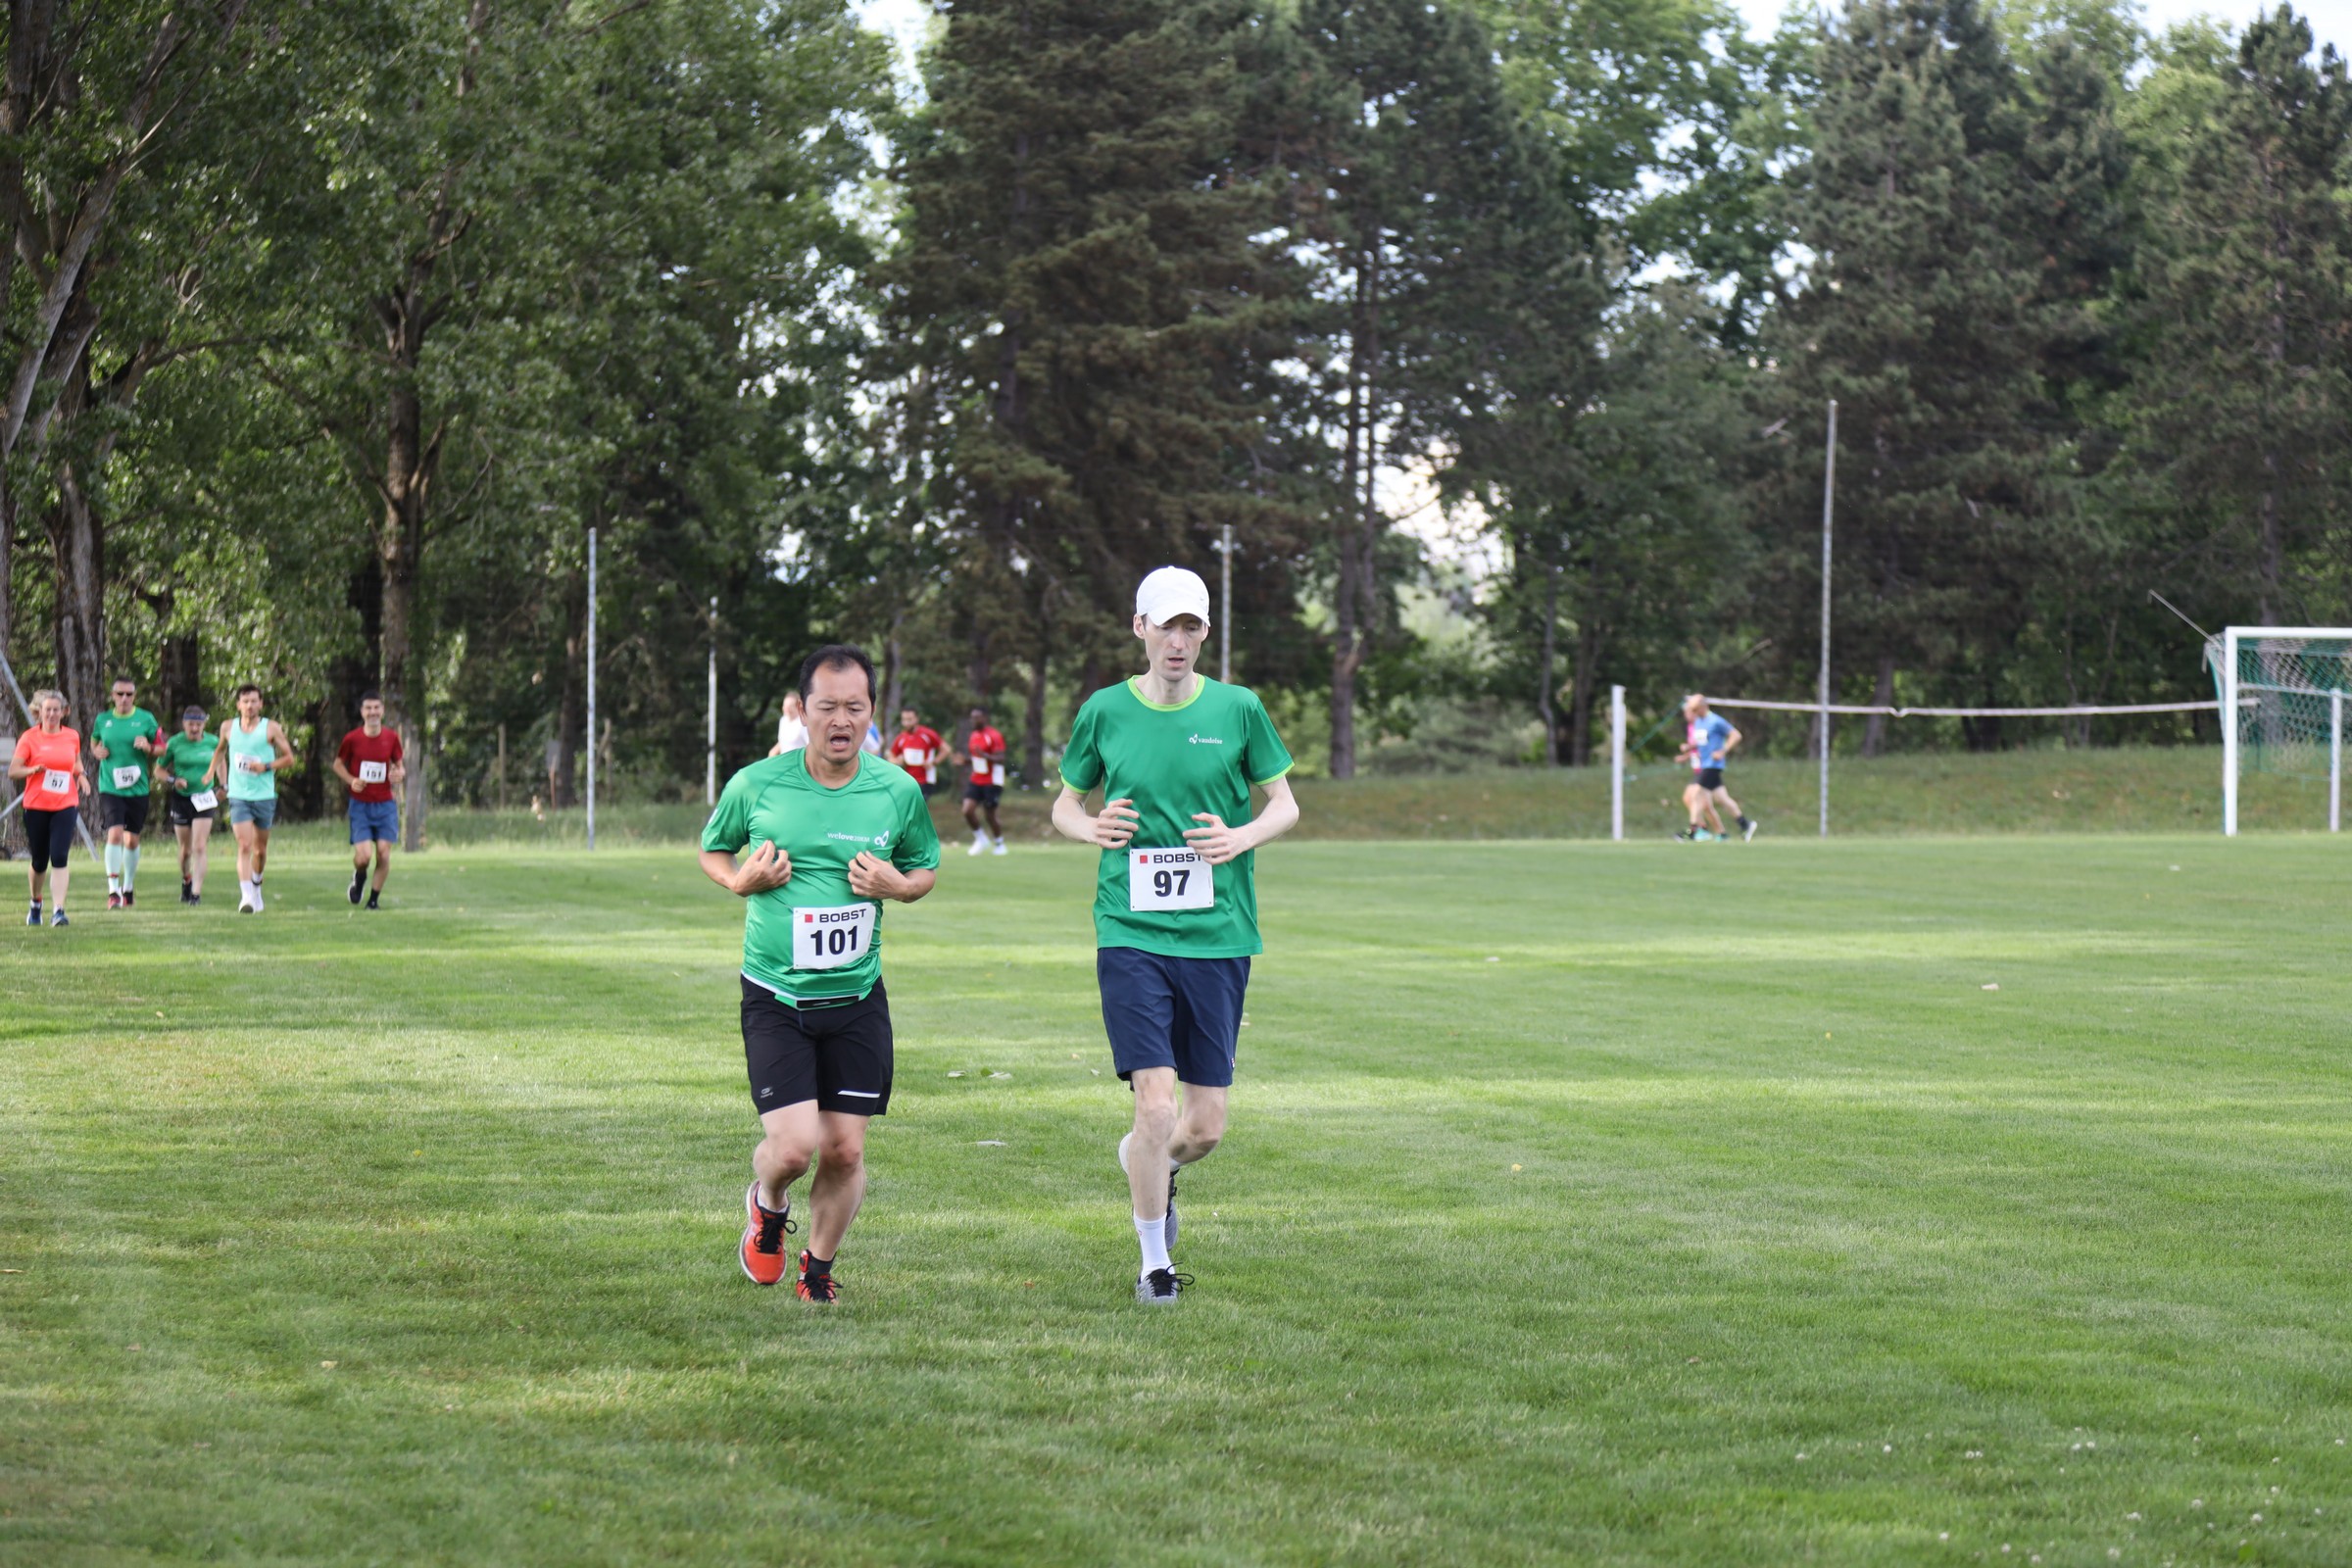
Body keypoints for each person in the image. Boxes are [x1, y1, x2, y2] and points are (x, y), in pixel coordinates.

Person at [1052, 565, 1300, 1303]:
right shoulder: (1104, 711)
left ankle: (1149, 1162)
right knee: (1156, 1107)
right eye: (1166, 626)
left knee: (1203, 1128)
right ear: (1141, 628)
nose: (1178, 640)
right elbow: (1065, 806)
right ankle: (1154, 1265)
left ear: (1205, 633)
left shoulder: (1239, 708)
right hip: (1130, 932)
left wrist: (1241, 836)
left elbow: (1285, 804)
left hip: (1219, 935)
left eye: (1191, 626)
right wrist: (1091, 827)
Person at [700, 644, 941, 1302]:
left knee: (845, 1151)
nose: (841, 720)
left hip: (857, 997)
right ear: (802, 712)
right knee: (793, 1150)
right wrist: (739, 880)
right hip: (776, 995)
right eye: (827, 706)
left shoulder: (897, 790)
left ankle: (818, 1270)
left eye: (855, 707)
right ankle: (767, 1203)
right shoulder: (757, 784)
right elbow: (714, 850)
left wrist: (899, 886)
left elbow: (923, 867)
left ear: (872, 713)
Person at [10, 689, 89, 927]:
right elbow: (14, 770)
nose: (52, 714)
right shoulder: (29, 738)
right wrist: (32, 770)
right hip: (36, 805)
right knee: (39, 860)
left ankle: (58, 911)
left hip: (65, 803)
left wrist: (81, 775)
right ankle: (36, 902)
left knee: (60, 856)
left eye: (56, 710)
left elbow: (75, 761)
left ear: (63, 712)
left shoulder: (72, 736)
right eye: (48, 710)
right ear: (39, 712)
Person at [213, 685, 295, 912]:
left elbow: (289, 759)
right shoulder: (228, 727)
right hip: (239, 796)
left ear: (261, 704)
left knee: (260, 851)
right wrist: (212, 775)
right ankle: (247, 896)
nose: (249, 705)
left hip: (264, 796)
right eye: (245, 701)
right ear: (238, 705)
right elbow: (220, 750)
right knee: (244, 845)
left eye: (254, 701)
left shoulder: (271, 728)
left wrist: (265, 766)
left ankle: (256, 886)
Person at [90, 676, 161, 908]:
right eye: (120, 694)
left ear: (134, 696)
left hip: (137, 788)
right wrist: (96, 752)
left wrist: (148, 747)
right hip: (110, 787)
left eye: (129, 694)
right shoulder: (103, 719)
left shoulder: (146, 718)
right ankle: (113, 891)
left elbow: (162, 748)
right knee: (115, 834)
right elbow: (94, 743)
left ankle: (128, 887)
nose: (124, 698)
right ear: (113, 696)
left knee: (132, 840)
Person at [332, 691, 406, 909]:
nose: (373, 712)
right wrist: (351, 780)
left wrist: (399, 773)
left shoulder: (391, 738)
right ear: (362, 712)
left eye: (376, 707)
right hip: (360, 805)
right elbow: (337, 764)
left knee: (383, 853)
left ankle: (373, 901)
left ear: (382, 710)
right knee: (363, 857)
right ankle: (359, 876)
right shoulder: (352, 739)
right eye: (368, 708)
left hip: (385, 804)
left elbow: (400, 766)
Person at [155, 706, 220, 904]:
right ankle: (186, 879)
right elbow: (158, 771)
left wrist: (223, 785)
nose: (194, 728)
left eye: (198, 725)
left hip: (204, 798)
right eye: (191, 724)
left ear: (204, 725)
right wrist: (173, 780)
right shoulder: (175, 743)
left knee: (199, 846)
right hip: (182, 799)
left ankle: (196, 894)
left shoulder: (213, 742)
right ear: (184, 724)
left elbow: (221, 763)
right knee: (185, 851)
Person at [1676, 694, 1756, 842]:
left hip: (1712, 765)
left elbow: (1736, 735)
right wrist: (1689, 749)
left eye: (1695, 709)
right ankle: (1745, 824)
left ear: (1703, 706)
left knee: (1696, 794)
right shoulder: (1699, 722)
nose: (1693, 712)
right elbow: (1702, 742)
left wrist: (1723, 751)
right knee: (1722, 799)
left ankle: (1693, 830)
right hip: (1704, 764)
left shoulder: (1715, 721)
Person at [957, 706, 1008, 856]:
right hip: (976, 779)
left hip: (992, 781)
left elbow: (1001, 758)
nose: (973, 720)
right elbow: (976, 758)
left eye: (976, 717)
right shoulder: (974, 735)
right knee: (967, 810)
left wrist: (984, 755)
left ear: (984, 718)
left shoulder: (993, 735)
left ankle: (999, 843)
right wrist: (965, 761)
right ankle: (981, 839)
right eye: (972, 717)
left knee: (989, 815)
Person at [885, 707, 945, 798]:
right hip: (908, 780)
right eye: (904, 720)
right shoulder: (901, 737)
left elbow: (946, 750)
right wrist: (897, 761)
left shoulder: (927, 734)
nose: (906, 723)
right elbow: (891, 757)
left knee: (918, 805)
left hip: (926, 781)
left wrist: (933, 762)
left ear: (916, 719)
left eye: (909, 720)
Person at [766, 691, 808, 758]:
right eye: (785, 705)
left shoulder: (803, 724)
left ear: (798, 707)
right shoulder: (783, 720)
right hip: (785, 761)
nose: (787, 709)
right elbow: (784, 742)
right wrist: (772, 752)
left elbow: (811, 746)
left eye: (790, 706)